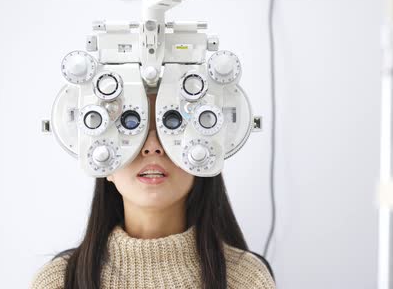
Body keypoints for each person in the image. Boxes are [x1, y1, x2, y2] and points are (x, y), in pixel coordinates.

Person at [30, 94, 275, 289]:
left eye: (173, 126)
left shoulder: (246, 280)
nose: (152, 147)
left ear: (202, 156)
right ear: (104, 162)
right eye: (131, 127)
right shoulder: (58, 283)